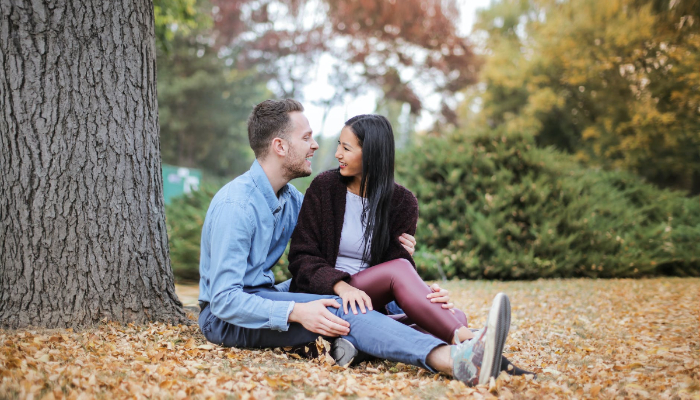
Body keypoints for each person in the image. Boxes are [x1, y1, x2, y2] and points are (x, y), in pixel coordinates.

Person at [197, 99, 512, 386]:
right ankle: (452, 359)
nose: (316, 146)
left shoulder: (290, 200)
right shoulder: (236, 206)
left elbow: (324, 244)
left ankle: (456, 337)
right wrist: (295, 312)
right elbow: (225, 300)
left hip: (266, 295)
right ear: (279, 146)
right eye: (306, 138)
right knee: (341, 307)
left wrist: (412, 280)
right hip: (225, 318)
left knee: (351, 306)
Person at [288, 114, 532, 375]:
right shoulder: (325, 187)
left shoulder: (402, 202)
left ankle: (354, 346)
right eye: (339, 145)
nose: (337, 153)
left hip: (369, 303)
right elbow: (302, 257)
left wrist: (426, 295)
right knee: (436, 307)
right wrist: (342, 287)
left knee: (452, 313)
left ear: (372, 153)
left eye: (346, 148)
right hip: (326, 293)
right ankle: (469, 341)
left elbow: (394, 267)